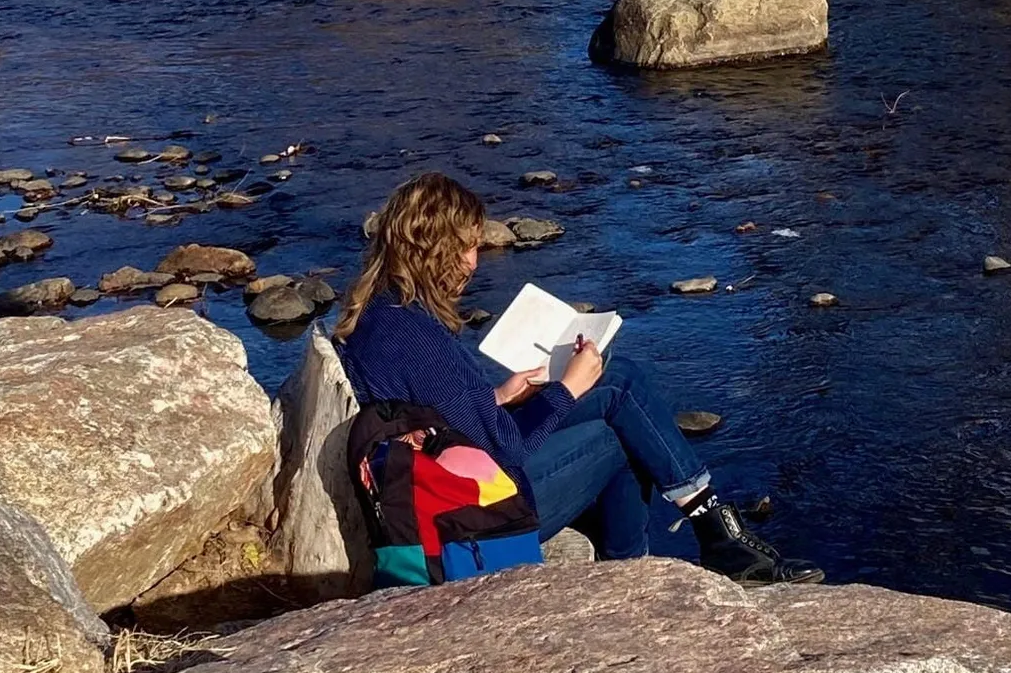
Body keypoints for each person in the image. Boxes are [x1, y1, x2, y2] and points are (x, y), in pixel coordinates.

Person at [334, 171, 823, 584]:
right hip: (476, 517)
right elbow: (503, 452)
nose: (473, 261)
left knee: (619, 381)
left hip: (447, 483)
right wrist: (566, 390)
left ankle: (705, 531)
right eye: (467, 248)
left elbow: (444, 418)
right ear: (435, 249)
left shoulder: (383, 311)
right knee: (617, 435)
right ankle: (646, 570)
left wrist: (498, 396)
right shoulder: (414, 334)